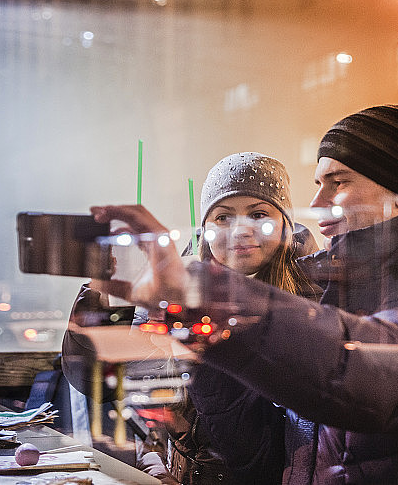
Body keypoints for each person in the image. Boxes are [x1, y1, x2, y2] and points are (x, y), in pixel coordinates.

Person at [91, 105, 398, 484]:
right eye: (318, 183)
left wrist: (200, 295)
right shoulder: (337, 287)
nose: (317, 204)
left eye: (338, 182)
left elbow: (384, 377)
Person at [62, 152, 320, 484]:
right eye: (223, 217)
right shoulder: (178, 296)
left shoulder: (310, 301)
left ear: (283, 222)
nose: (240, 230)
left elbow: (265, 444)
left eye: (258, 214)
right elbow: (100, 381)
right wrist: (99, 285)